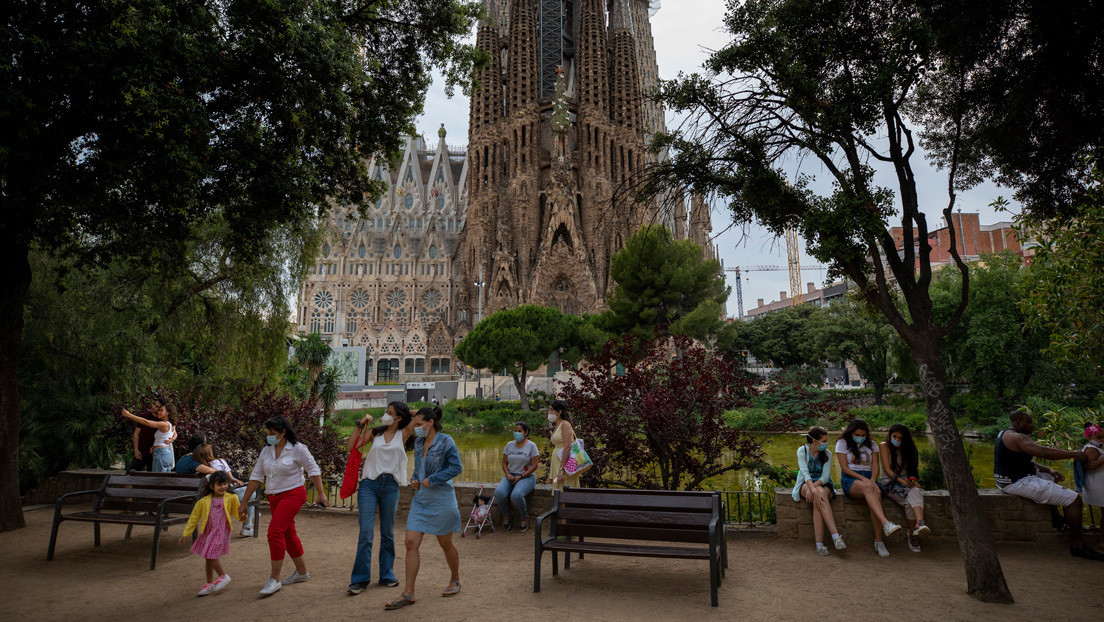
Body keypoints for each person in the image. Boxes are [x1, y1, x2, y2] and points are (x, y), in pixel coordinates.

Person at [237, 417, 330, 595]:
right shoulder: (266, 451)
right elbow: (256, 477)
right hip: (274, 497)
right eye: (267, 433)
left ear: (283, 433)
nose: (269, 436)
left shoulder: (298, 449)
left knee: (274, 533)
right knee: (288, 533)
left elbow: (313, 470)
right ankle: (302, 572)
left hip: (293, 494)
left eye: (272, 433)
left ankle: (274, 579)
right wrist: (244, 502)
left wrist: (321, 493)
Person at [995, 408, 1104, 560]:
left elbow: (1024, 460)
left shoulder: (1004, 433)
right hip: (1015, 482)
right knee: (1073, 500)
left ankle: (1057, 520)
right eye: (1029, 422)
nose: (1032, 425)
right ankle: (1078, 545)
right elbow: (1044, 452)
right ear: (1019, 422)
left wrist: (1049, 470)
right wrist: (1075, 454)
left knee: (1051, 478)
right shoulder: (1017, 437)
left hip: (1006, 479)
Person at [384, 405, 463, 610]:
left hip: (442, 499)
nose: (416, 428)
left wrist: (433, 479)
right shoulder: (419, 442)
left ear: (430, 423)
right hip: (421, 499)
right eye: (415, 424)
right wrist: (414, 480)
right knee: (410, 542)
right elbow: (419, 468)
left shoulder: (447, 441)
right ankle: (408, 593)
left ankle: (455, 579)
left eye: (419, 424)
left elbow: (457, 468)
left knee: (445, 543)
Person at [346, 402, 416, 595]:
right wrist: (360, 424)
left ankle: (386, 575)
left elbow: (425, 414)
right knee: (366, 533)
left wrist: (405, 411)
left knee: (388, 533)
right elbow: (351, 446)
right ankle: (360, 580)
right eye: (386, 411)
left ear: (399, 418)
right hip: (369, 484)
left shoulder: (403, 434)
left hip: (391, 486)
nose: (385, 415)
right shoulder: (375, 433)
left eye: (390, 413)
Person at [835, 418, 902, 557]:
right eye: (857, 435)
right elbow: (845, 468)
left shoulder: (872, 444)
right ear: (851, 433)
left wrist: (872, 480)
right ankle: (886, 523)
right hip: (851, 479)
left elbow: (875, 466)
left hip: (869, 479)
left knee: (875, 495)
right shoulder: (842, 443)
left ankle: (879, 541)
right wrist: (866, 480)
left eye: (863, 435)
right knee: (869, 489)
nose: (860, 438)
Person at [179, 470, 240, 596]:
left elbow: (237, 512)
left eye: (225, 484)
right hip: (207, 532)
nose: (223, 487)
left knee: (210, 555)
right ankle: (209, 584)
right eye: (219, 484)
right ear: (212, 486)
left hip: (220, 531)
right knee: (208, 557)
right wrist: (186, 534)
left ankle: (223, 576)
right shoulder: (203, 501)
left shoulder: (231, 498)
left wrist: (243, 517)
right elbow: (194, 518)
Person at [792, 426, 845, 555]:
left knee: (819, 494)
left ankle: (821, 544)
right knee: (818, 493)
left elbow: (825, 477)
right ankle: (835, 537)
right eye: (824, 441)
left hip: (823, 484)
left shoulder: (827, 454)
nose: (826, 443)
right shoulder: (802, 451)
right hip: (806, 482)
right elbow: (804, 472)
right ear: (815, 441)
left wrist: (814, 489)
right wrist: (812, 488)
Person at [878, 424, 931, 553]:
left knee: (916, 491)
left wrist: (912, 481)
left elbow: (912, 471)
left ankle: (919, 524)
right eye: (894, 436)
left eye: (900, 438)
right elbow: (887, 470)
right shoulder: (884, 445)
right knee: (909, 502)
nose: (896, 439)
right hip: (890, 482)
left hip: (906, 483)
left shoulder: (910, 449)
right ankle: (912, 534)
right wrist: (903, 482)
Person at [191, 443, 258, 537]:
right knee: (251, 493)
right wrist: (233, 480)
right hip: (225, 496)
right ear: (210, 452)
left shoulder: (200, 468)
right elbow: (228, 479)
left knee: (246, 494)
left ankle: (251, 517)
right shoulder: (219, 461)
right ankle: (247, 526)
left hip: (208, 497)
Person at [494, 421, 540, 532]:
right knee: (499, 493)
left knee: (516, 495)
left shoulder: (531, 445)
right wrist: (508, 474)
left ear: (526, 432)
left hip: (527, 477)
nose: (517, 433)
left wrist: (521, 476)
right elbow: (504, 463)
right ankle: (507, 514)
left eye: (519, 431)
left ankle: (524, 517)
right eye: (515, 431)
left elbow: (535, 465)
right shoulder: (509, 445)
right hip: (510, 475)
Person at [120, 397, 178, 472]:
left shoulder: (164, 424)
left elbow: (146, 422)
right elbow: (173, 433)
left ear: (167, 412)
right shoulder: (171, 423)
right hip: (157, 451)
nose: (154, 407)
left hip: (161, 453)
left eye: (161, 410)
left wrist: (129, 415)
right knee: (161, 479)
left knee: (158, 480)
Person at [1081, 423, 1104, 549]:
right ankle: (1102, 541)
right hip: (1099, 485)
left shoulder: (1097, 448)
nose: (1102, 440)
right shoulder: (1091, 449)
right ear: (1090, 438)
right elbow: (1090, 465)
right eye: (1099, 438)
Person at [548, 400, 579, 491]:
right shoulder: (557, 426)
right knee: (558, 491)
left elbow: (567, 447)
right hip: (557, 460)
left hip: (565, 463)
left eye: (551, 410)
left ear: (559, 412)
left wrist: (561, 469)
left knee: (564, 492)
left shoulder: (565, 424)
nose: (549, 412)